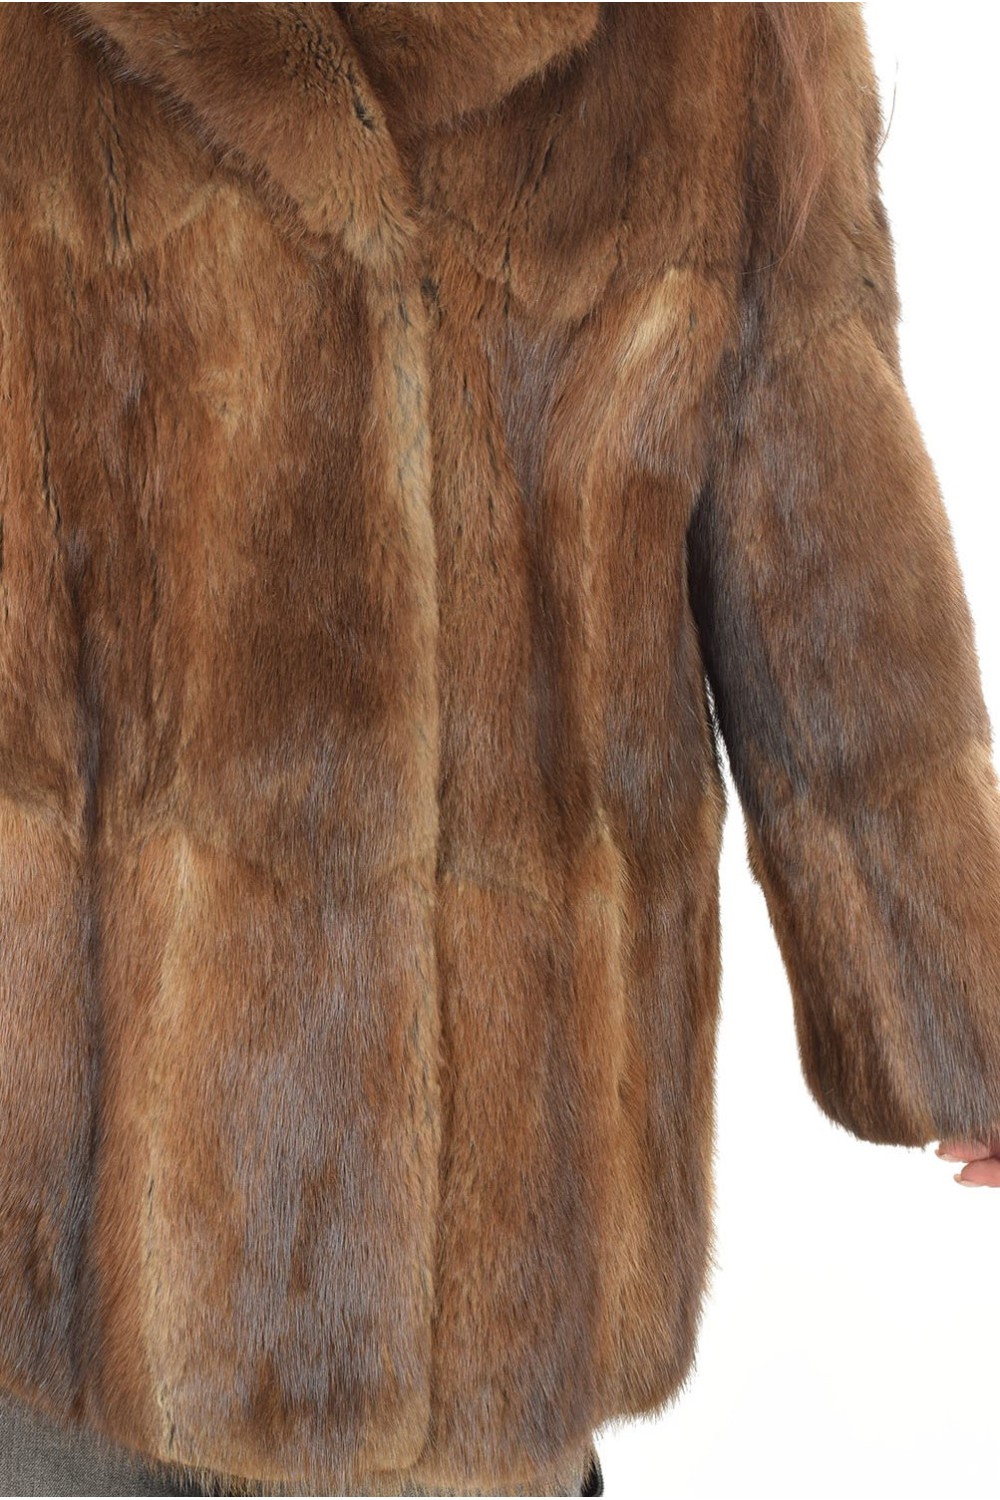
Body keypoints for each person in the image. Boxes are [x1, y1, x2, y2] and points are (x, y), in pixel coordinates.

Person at [1, 3, 998, 1495]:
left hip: (477, 1240)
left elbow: (824, 538)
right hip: (60, 1200)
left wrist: (962, 1012)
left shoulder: (723, 35)